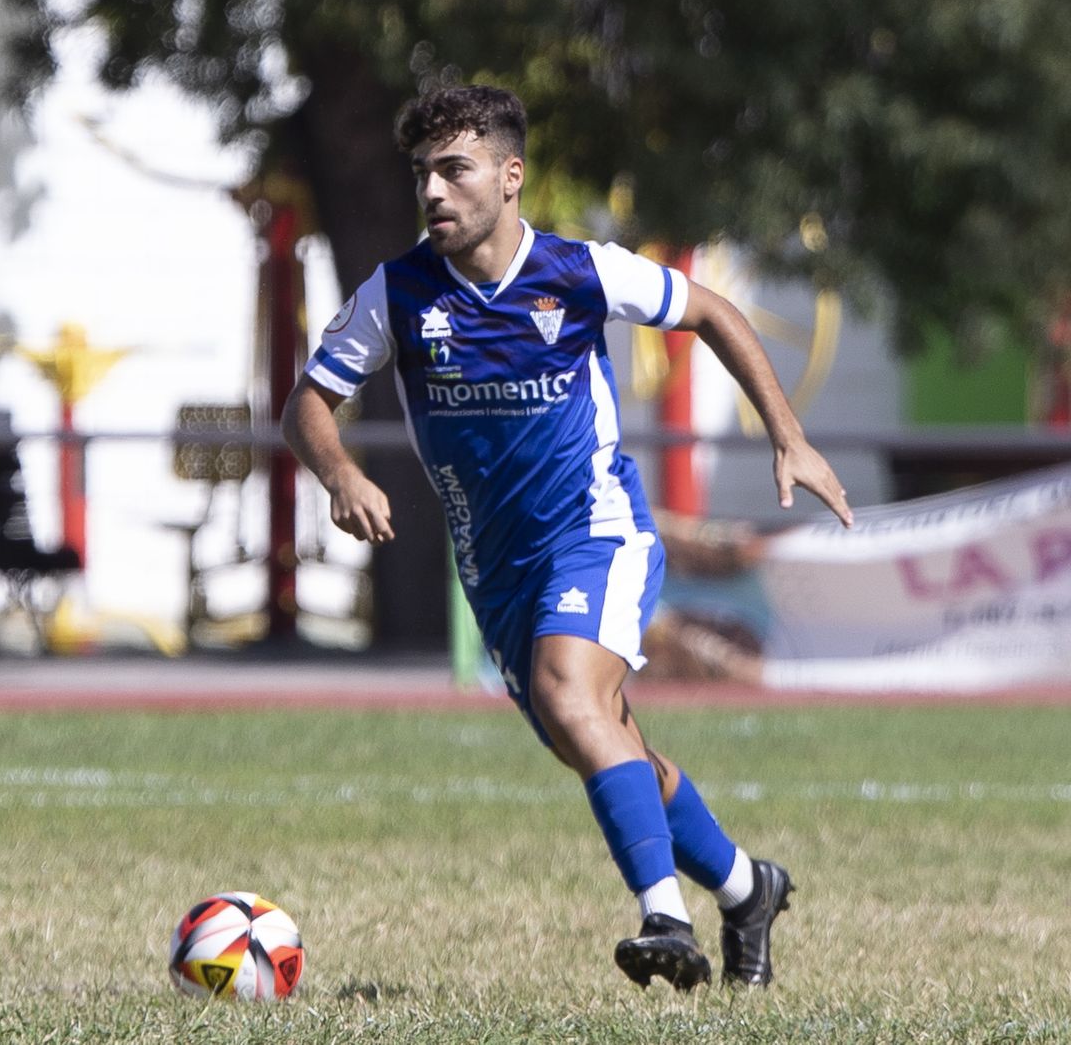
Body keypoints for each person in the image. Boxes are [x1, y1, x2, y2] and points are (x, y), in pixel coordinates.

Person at [283, 85, 854, 989]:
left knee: (568, 693)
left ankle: (663, 913)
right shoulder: (397, 292)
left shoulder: (579, 271)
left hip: (598, 532)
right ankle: (748, 886)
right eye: (422, 174)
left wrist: (789, 434)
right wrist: (341, 471)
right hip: (496, 571)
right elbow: (307, 400)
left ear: (510, 178)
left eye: (454, 170)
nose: (433, 191)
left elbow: (712, 311)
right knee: (590, 733)